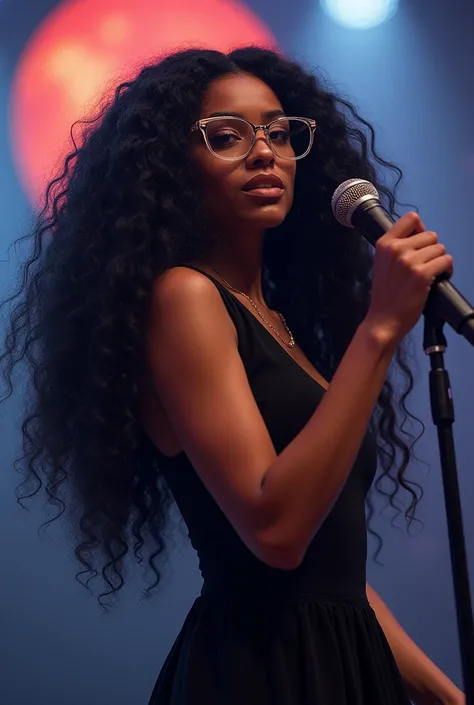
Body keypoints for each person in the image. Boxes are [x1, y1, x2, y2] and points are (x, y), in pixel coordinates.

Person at [1, 46, 465, 705]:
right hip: (262, 671)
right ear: (170, 165)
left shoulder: (275, 320)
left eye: (279, 132)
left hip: (338, 662)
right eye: (227, 136)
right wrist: (381, 327)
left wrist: (446, 696)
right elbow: (276, 532)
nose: (265, 152)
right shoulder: (183, 298)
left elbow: (332, 577)